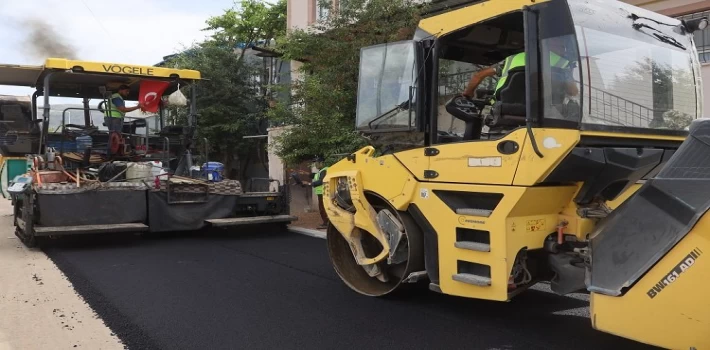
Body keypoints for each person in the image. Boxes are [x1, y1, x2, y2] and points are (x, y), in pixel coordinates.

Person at [461, 39, 578, 101]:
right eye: (563, 46)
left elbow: (479, 76)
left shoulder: (513, 59)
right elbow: (573, 92)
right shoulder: (563, 64)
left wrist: (468, 93)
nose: (564, 50)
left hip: (504, 110)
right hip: (546, 115)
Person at [306, 157, 329, 229]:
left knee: (323, 209)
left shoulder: (324, 170)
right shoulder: (320, 171)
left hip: (324, 193)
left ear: (321, 163)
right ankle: (326, 223)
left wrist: (311, 184)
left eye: (317, 163)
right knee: (322, 208)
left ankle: (326, 223)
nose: (315, 165)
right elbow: (316, 176)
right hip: (321, 193)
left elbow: (321, 181)